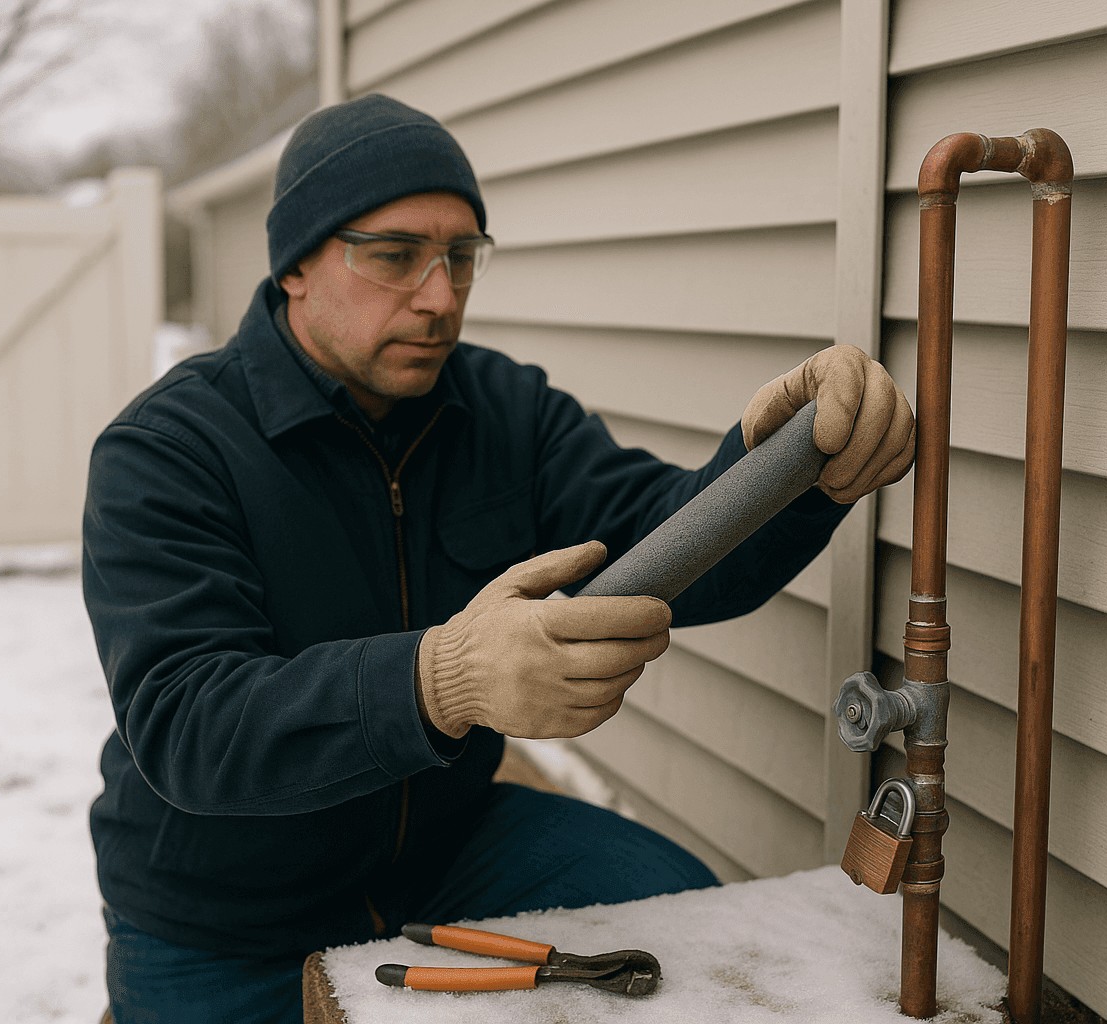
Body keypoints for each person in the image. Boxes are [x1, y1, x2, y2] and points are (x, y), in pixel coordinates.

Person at [83, 94, 914, 1023]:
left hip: (442, 849)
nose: (439, 297)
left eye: (462, 258)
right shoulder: (170, 448)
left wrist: (787, 468)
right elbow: (187, 721)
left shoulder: (501, 411)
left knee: (677, 910)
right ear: (297, 267)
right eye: (396, 256)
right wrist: (441, 680)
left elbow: (659, 539)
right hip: (224, 916)